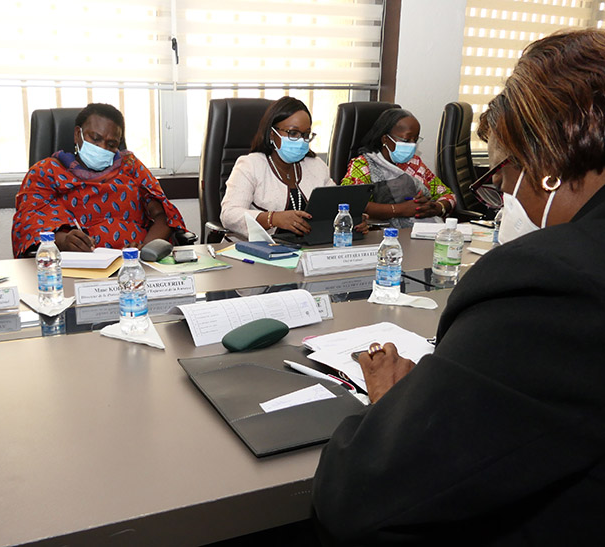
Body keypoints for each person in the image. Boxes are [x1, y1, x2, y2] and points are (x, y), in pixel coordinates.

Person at [313, 28, 605, 544]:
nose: (501, 192)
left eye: (501, 172)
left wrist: (392, 407)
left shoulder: (553, 283)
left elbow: (357, 495)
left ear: (548, 165)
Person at [11, 103, 186, 256]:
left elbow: (164, 216)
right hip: (77, 267)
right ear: (77, 135)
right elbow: (30, 224)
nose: (102, 148)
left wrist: (145, 250)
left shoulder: (130, 166)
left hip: (136, 265)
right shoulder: (47, 172)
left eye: (111, 144)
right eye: (95, 139)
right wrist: (63, 241)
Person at [220, 96, 367, 238]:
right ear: (272, 134)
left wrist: (351, 218)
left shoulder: (316, 166)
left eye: (306, 134)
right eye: (293, 133)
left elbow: (335, 205)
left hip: (305, 248)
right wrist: (273, 218)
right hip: (254, 248)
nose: (301, 140)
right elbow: (229, 214)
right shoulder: (250, 165)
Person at [340, 108, 456, 229]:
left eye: (415, 140)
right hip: (383, 233)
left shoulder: (414, 163)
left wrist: (437, 208)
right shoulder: (363, 165)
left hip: (423, 230)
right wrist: (400, 209)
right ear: (385, 139)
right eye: (406, 140)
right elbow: (350, 202)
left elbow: (448, 195)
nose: (412, 145)